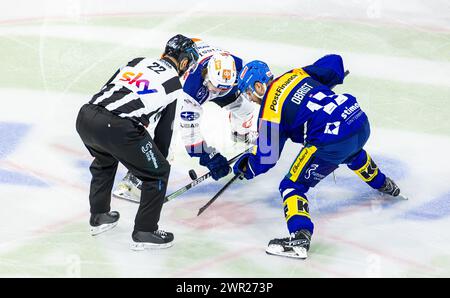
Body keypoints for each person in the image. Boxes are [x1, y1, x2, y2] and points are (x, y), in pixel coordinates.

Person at [233, 56, 405, 259]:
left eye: (248, 92)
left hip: (331, 139)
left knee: (291, 186)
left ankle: (299, 238)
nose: (250, 99)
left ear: (259, 86)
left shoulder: (270, 107)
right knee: (351, 153)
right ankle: (385, 184)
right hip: (359, 120)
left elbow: (267, 156)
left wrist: (247, 167)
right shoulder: (296, 74)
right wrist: (329, 80)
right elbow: (334, 63)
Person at [75, 34, 199, 250]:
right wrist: (155, 166)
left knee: (104, 159)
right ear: (184, 62)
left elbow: (109, 88)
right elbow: (164, 135)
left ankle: (99, 215)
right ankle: (145, 230)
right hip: (118, 127)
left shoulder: (137, 61)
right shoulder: (174, 85)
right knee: (159, 172)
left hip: (86, 116)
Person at [113, 38, 258, 202]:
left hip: (215, 73)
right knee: (166, 136)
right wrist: (207, 156)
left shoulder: (240, 69)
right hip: (185, 85)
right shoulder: (191, 86)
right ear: (207, 73)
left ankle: (241, 135)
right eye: (214, 86)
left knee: (246, 108)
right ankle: (133, 181)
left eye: (222, 88)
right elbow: (190, 131)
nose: (216, 92)